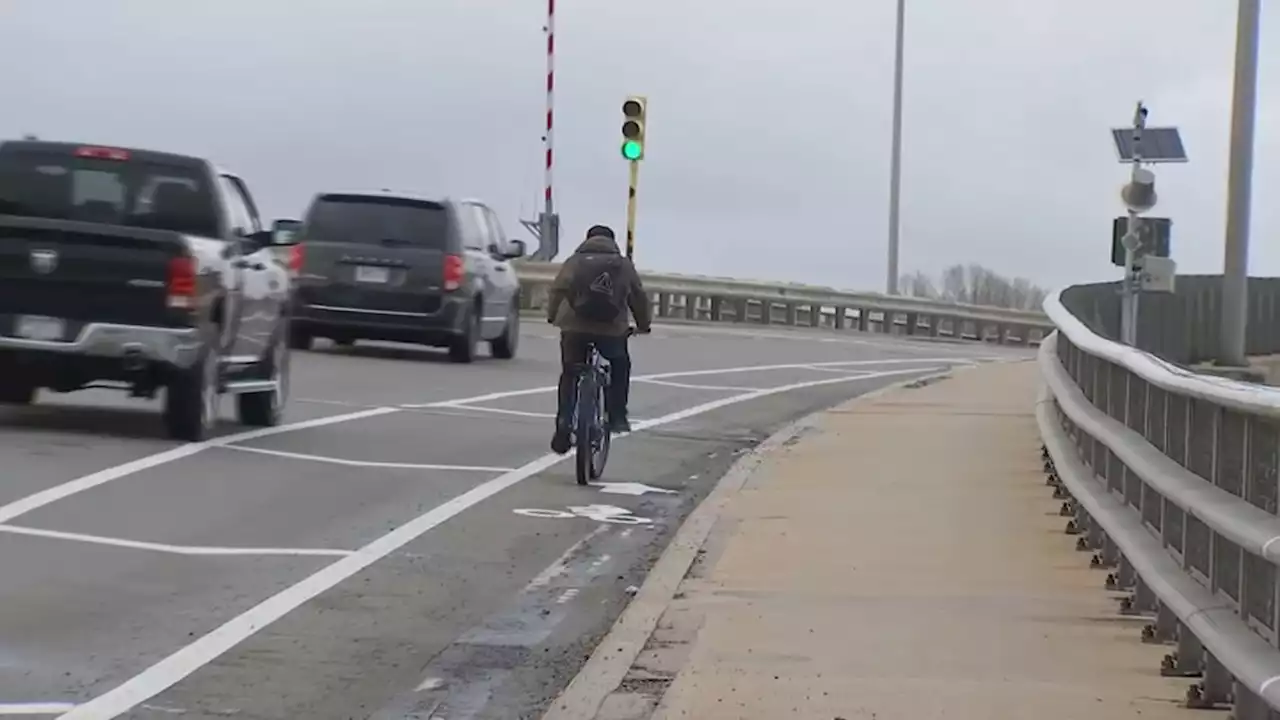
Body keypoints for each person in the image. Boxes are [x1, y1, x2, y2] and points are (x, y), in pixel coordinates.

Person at [545, 224, 652, 455]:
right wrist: (643, 325)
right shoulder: (623, 265)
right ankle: (617, 415)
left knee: (570, 372)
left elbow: (558, 289)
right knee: (620, 363)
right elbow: (638, 296)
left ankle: (564, 422)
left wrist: (552, 316)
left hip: (574, 327)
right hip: (611, 330)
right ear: (612, 242)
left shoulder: (574, 261)